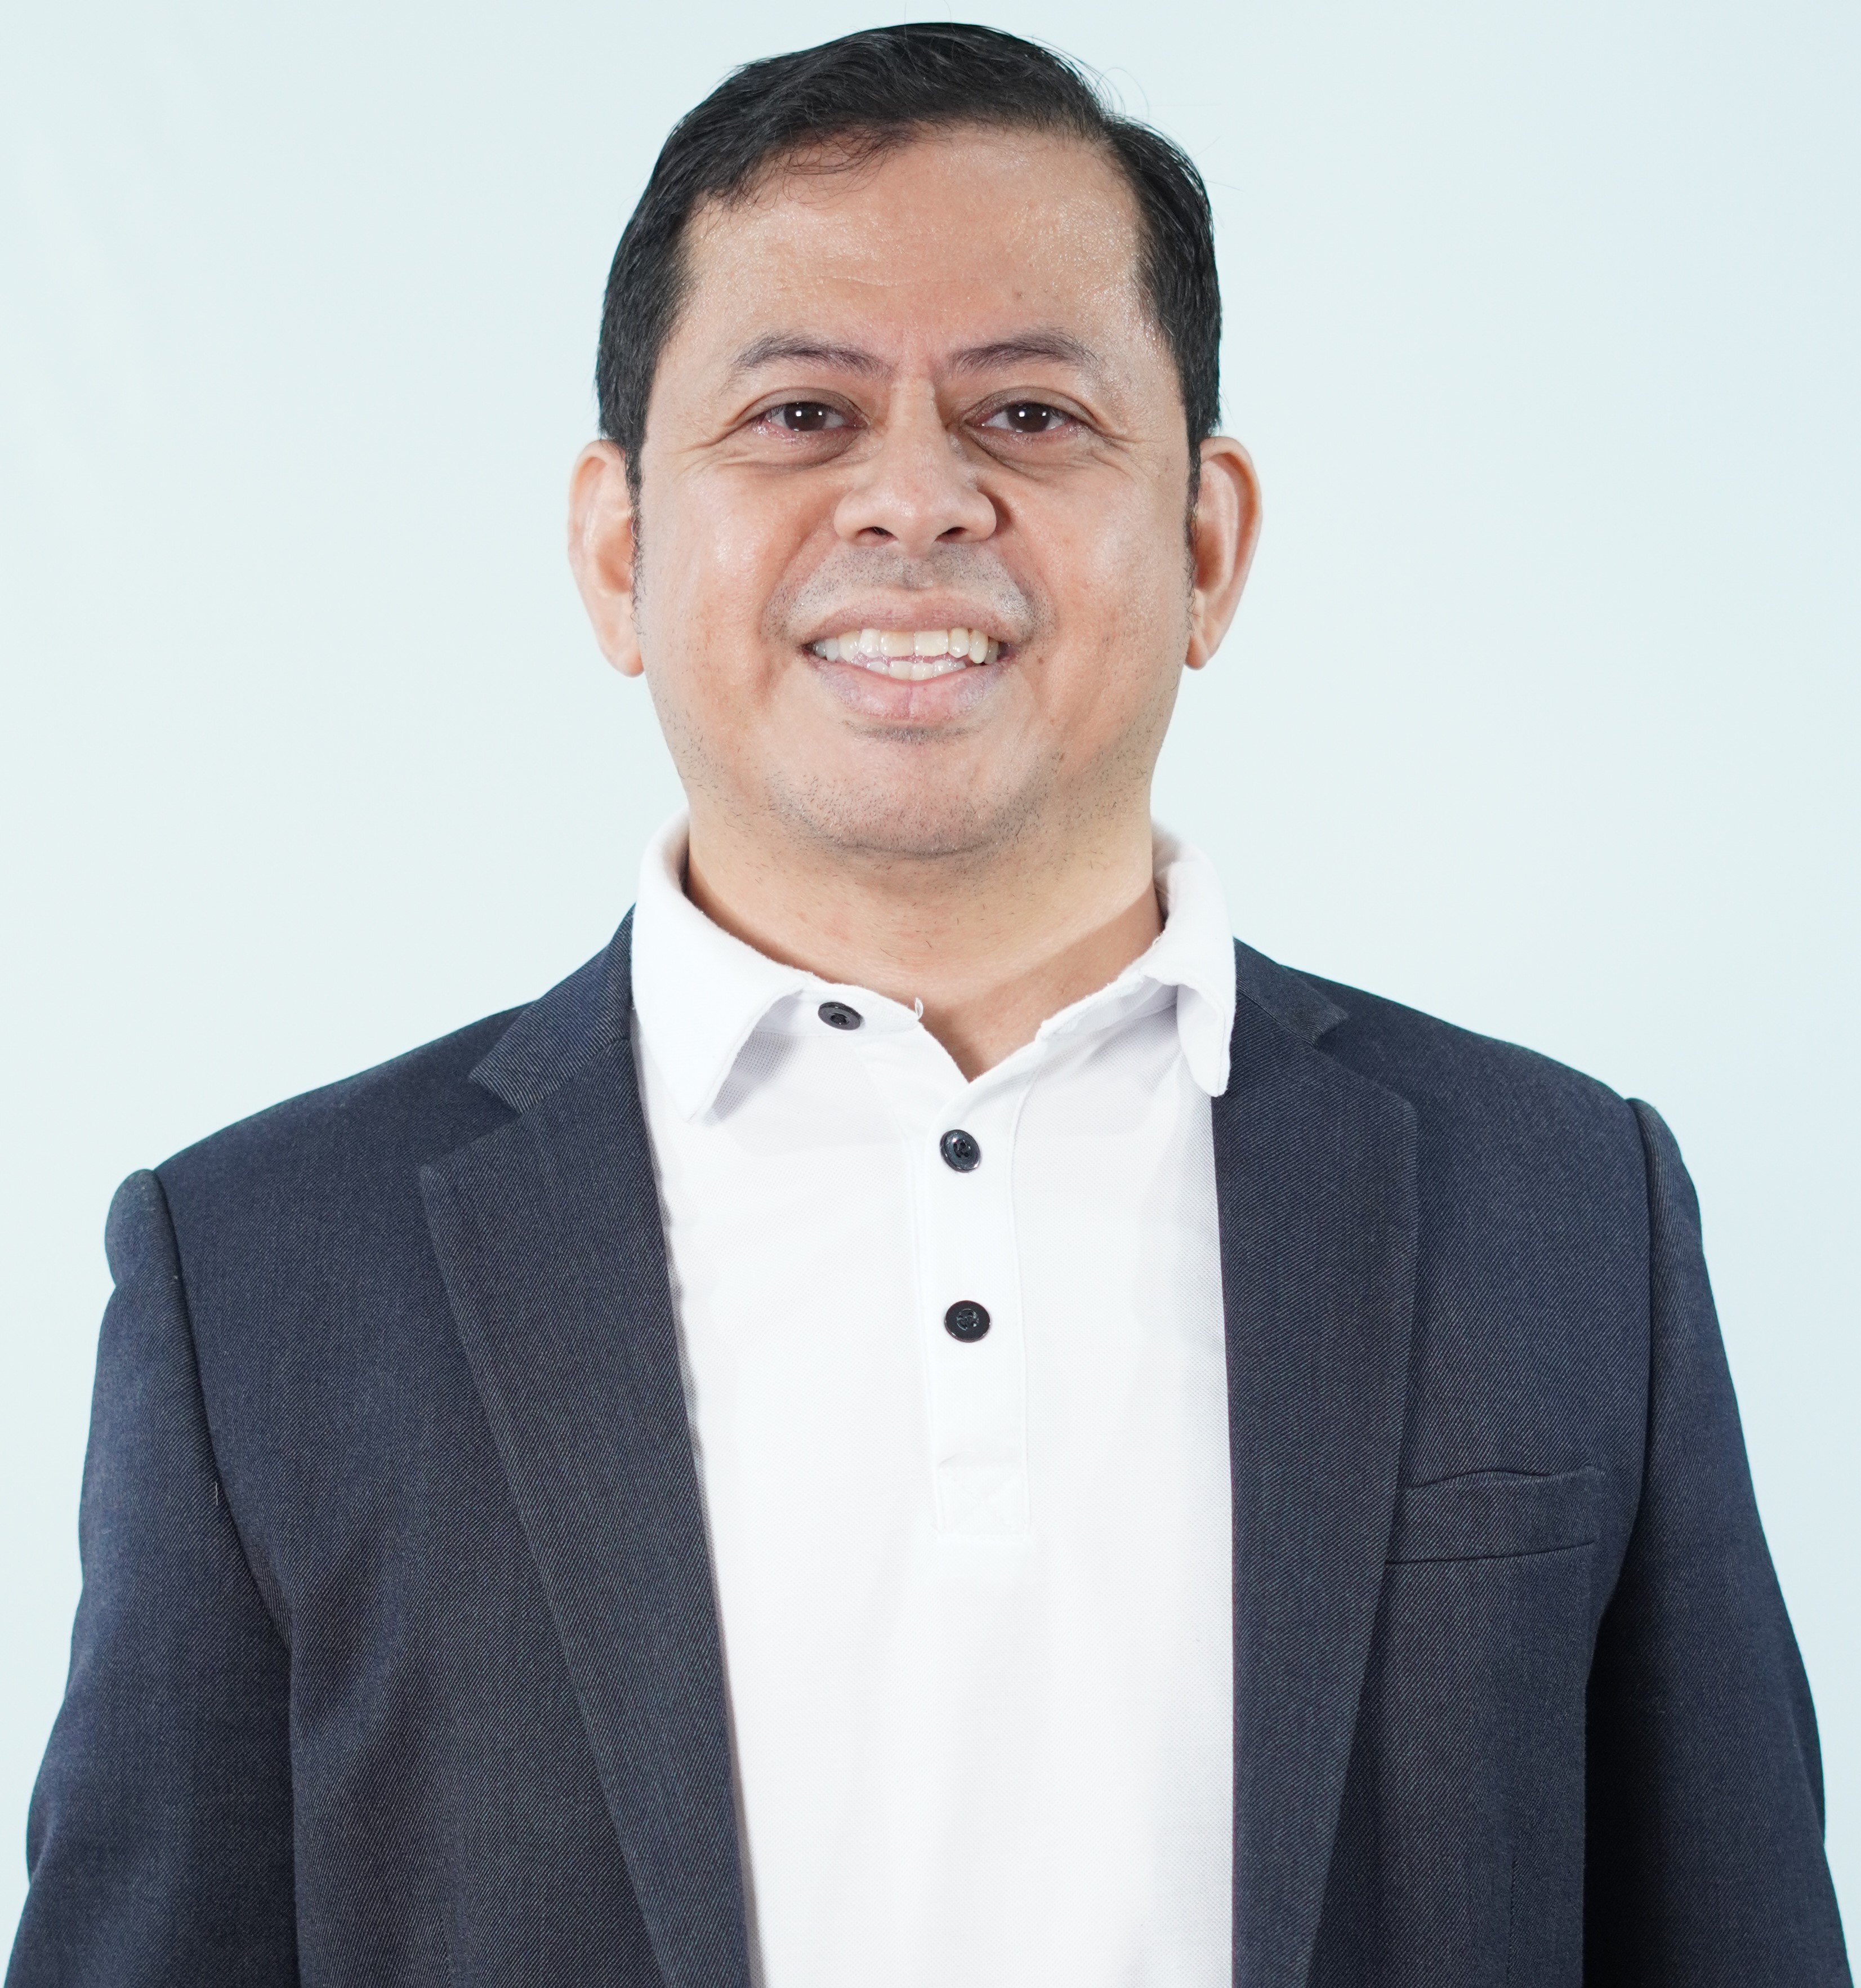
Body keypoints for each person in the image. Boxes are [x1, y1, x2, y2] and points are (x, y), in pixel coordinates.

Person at [6, 23, 1850, 1987]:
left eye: (1030, 415)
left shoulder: (1560, 1205)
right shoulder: (266, 1273)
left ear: (1206, 543)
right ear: (620, 549)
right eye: (799, 413)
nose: (914, 499)